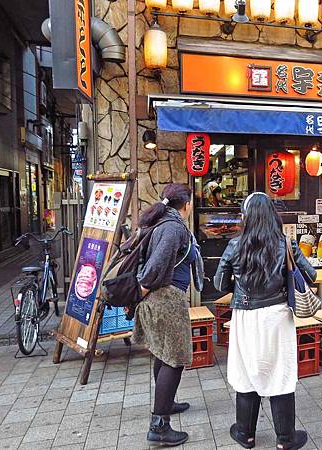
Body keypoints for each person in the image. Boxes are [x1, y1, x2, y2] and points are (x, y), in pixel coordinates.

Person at [214, 192, 317, 450]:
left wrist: (237, 283)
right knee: (280, 373)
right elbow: (311, 275)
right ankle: (286, 439)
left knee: (247, 371)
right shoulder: (286, 243)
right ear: (273, 215)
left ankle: (245, 434)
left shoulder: (235, 245)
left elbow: (218, 284)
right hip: (278, 317)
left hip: (245, 317)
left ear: (245, 217)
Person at [133, 183, 195, 447]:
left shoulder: (161, 222)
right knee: (175, 359)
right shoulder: (172, 227)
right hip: (166, 299)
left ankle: (166, 404)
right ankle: (159, 427)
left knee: (163, 353)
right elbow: (156, 264)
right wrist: (141, 290)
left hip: (160, 298)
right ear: (186, 205)